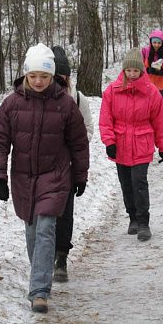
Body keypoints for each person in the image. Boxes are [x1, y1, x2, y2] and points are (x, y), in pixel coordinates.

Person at [0, 43, 89, 313]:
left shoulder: (65, 104)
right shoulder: (11, 104)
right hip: (23, 178)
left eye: (44, 76)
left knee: (46, 229)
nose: (38, 81)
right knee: (33, 232)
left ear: (53, 76)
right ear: (26, 75)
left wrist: (80, 175)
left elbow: (79, 143)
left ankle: (39, 291)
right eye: (33, 76)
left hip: (55, 176)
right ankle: (40, 274)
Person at [99, 49, 163, 242]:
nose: (131, 74)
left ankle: (144, 221)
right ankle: (132, 218)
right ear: (124, 70)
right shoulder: (112, 91)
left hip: (142, 143)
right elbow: (105, 119)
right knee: (126, 184)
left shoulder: (151, 93)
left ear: (141, 71)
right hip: (120, 144)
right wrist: (109, 141)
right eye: (128, 70)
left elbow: (160, 121)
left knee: (139, 182)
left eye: (135, 71)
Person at [49, 46, 93, 283]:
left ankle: (61, 257)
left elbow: (88, 130)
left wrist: (74, 144)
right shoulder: (38, 97)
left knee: (65, 214)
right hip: (42, 167)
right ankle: (45, 255)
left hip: (66, 166)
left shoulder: (77, 98)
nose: (58, 80)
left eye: (62, 76)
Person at [141, 29, 163, 100]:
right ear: (151, 42)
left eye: (159, 43)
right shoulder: (144, 51)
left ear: (162, 43)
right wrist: (147, 70)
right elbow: (139, 66)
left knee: (159, 108)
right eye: (154, 42)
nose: (156, 45)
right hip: (146, 85)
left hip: (160, 87)